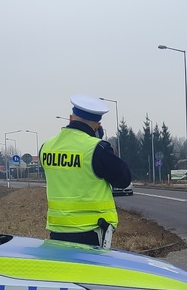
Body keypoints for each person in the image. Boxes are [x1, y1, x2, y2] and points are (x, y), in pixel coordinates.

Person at [40, 95, 131, 248]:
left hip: (57, 230)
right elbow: (123, 179)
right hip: (91, 231)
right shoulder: (97, 148)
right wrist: (102, 145)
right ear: (97, 126)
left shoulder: (46, 146)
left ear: (70, 118)